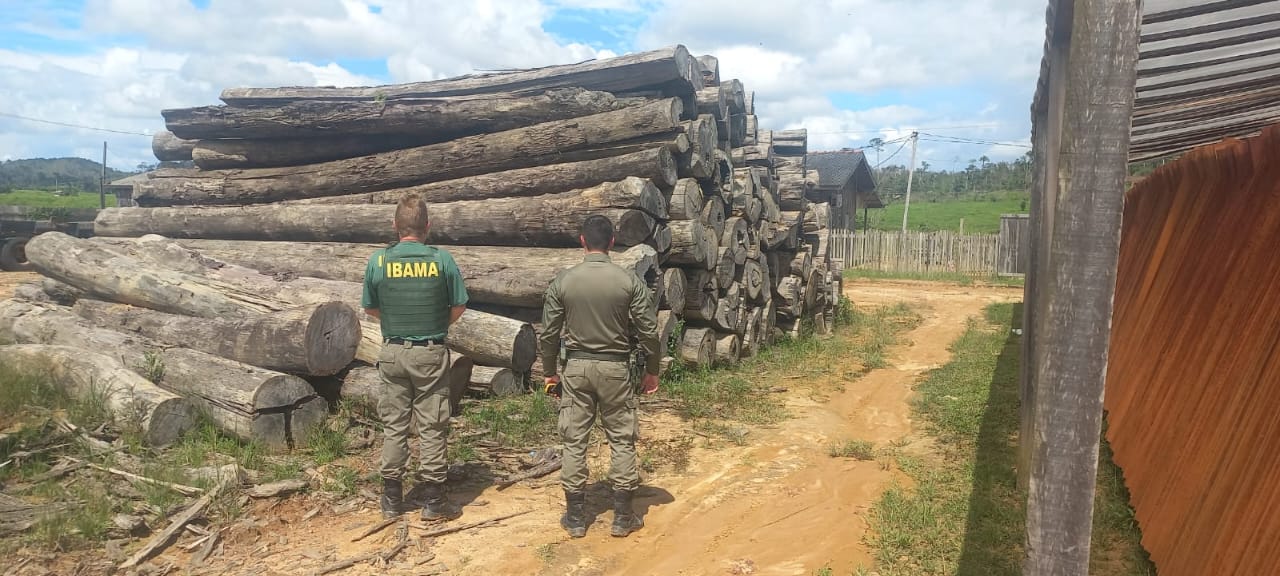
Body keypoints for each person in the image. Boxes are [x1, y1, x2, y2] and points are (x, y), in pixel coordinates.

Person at [540, 214, 662, 539]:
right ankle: (623, 517)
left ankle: (576, 517)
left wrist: (550, 372)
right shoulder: (629, 282)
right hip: (616, 369)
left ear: (582, 241)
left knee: (574, 440)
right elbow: (648, 331)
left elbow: (549, 335)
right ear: (611, 243)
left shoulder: (563, 281)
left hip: (576, 368)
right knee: (621, 438)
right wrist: (653, 370)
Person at [362, 194, 469, 522]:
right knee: (432, 425)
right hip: (430, 353)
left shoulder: (378, 262)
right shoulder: (442, 261)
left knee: (394, 425)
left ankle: (392, 500)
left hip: (392, 351)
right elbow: (459, 305)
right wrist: (435, 326)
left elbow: (370, 307)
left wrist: (397, 324)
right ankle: (434, 502)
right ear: (428, 227)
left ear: (395, 227)